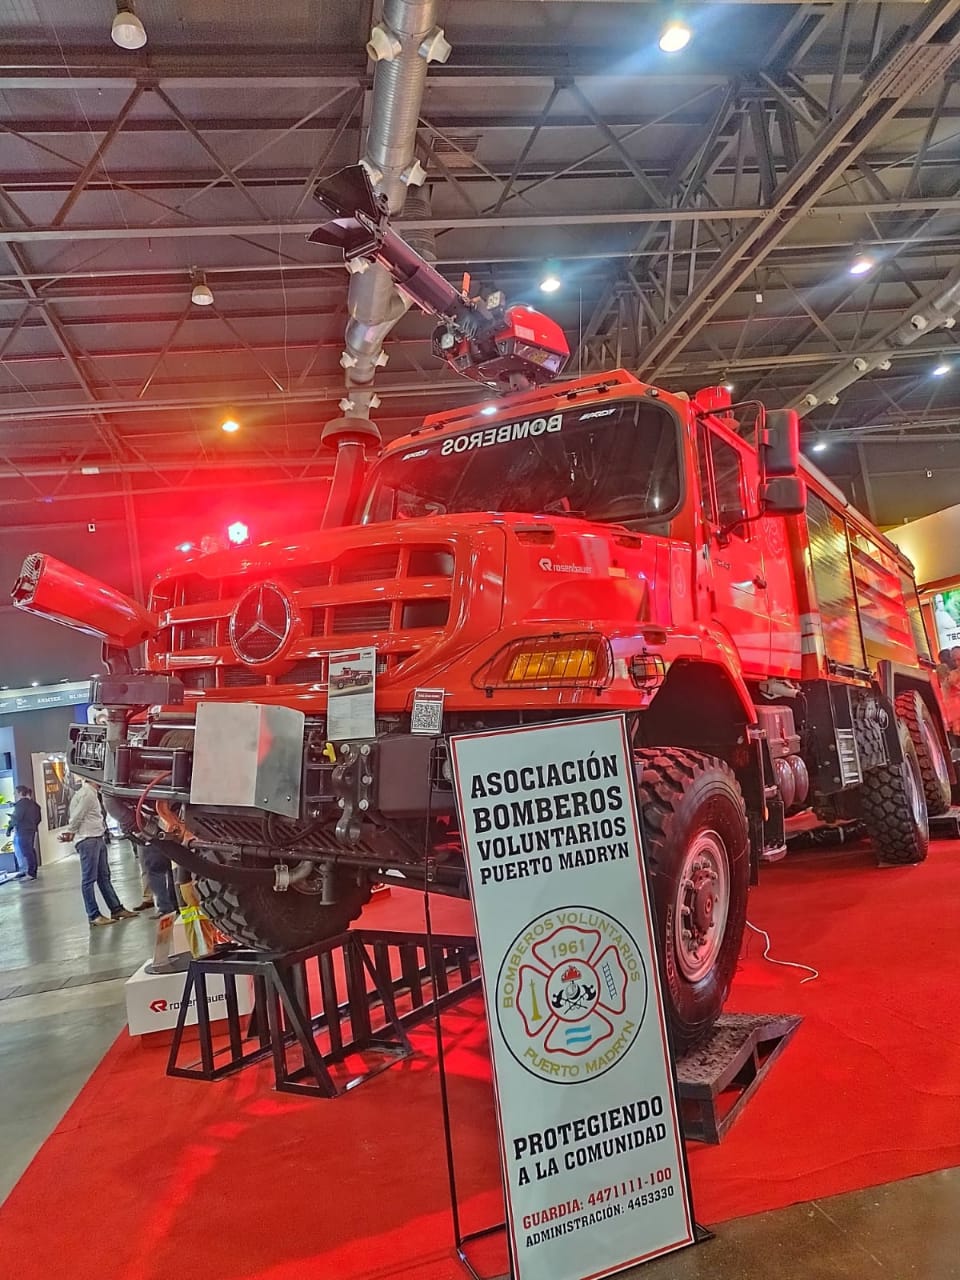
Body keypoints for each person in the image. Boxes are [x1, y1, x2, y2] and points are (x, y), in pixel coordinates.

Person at [60, 777, 138, 927]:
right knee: (89, 879)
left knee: (104, 876)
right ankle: (94, 915)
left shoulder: (92, 793)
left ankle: (116, 909)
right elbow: (77, 815)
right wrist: (70, 831)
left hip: (96, 838)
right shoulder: (87, 794)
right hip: (88, 839)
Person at [6, 785, 41, 880]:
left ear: (20, 793)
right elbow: (38, 818)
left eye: (15, 793)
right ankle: (32, 871)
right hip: (32, 829)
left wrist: (9, 828)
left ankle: (30, 873)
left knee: (26, 851)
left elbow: (16, 818)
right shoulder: (34, 804)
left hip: (23, 830)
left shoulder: (20, 805)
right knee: (30, 850)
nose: (14, 794)